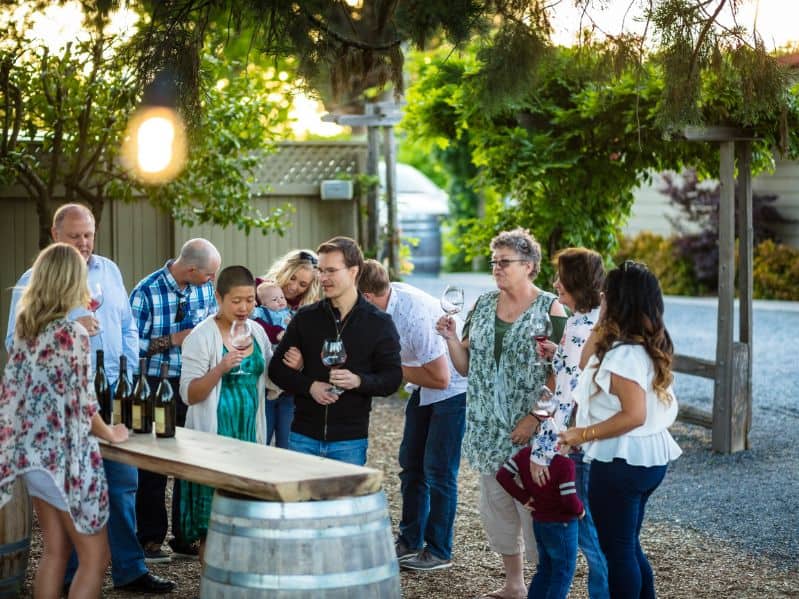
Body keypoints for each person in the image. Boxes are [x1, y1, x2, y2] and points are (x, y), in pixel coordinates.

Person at [5, 203, 175, 594]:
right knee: (88, 551)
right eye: (74, 236)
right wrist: (71, 330)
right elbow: (20, 348)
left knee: (117, 489)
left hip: (76, 412)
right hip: (73, 426)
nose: (84, 243)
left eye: (88, 234)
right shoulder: (40, 291)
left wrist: (131, 378)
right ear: (55, 236)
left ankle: (130, 569)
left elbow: (128, 328)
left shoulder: (111, 271)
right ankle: (74, 581)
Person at [436, 227, 566, 599]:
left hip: (531, 430)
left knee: (534, 508)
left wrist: (534, 418)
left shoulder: (551, 308)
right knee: (497, 509)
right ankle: (514, 584)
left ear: (529, 266)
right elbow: (464, 367)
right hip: (485, 428)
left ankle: (547, 584)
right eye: (494, 261)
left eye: (504, 262)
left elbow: (564, 370)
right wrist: (448, 339)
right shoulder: (482, 304)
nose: (496, 268)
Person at [1, 243, 130, 599]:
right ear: (73, 281)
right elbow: (82, 403)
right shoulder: (72, 335)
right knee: (95, 557)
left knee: (55, 553)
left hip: (33, 458)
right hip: (68, 459)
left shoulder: (26, 332)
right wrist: (112, 433)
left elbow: (10, 393)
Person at [559, 260, 682, 599]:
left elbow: (633, 415)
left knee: (618, 553)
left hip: (622, 462)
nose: (601, 296)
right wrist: (601, 320)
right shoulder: (635, 345)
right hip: (644, 460)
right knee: (626, 546)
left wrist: (580, 434)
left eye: (607, 293)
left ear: (619, 300)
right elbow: (584, 364)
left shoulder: (625, 354)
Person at [358, 259, 468, 572]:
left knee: (438, 470)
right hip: (424, 388)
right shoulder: (381, 307)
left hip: (454, 390)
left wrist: (385, 368)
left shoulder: (412, 313)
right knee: (411, 464)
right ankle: (409, 541)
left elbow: (441, 378)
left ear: (366, 295)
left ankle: (438, 550)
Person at [269, 237, 402, 466]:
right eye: (320, 271)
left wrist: (359, 381)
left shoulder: (379, 323)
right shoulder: (306, 317)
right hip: (302, 437)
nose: (323, 278)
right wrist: (309, 386)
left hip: (349, 442)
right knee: (301, 503)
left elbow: (392, 379)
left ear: (353, 272)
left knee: (342, 503)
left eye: (331, 270)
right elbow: (276, 370)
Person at [128, 238, 220, 562]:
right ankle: (150, 539)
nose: (212, 282)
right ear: (192, 269)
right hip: (155, 383)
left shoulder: (204, 287)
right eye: (208, 275)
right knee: (154, 462)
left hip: (192, 382)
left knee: (190, 460)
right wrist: (174, 340)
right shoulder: (146, 291)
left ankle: (186, 536)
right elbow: (132, 345)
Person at [528, 248, 609, 599]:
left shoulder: (584, 327)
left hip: (575, 446)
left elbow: (567, 399)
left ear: (577, 281)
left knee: (593, 541)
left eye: (562, 276)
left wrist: (542, 452)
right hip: (588, 442)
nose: (555, 283)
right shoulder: (589, 320)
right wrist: (556, 355)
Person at [178, 265, 270, 563]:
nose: (245, 307)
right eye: (237, 301)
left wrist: (292, 366)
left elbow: (269, 380)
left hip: (249, 438)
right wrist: (220, 368)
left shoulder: (257, 332)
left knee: (246, 522)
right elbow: (189, 395)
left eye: (250, 300)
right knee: (214, 527)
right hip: (214, 440)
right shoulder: (201, 336)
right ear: (219, 297)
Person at [496, 440, 585, 599]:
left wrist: (524, 498)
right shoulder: (565, 464)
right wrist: (580, 510)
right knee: (562, 573)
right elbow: (569, 499)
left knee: (544, 569)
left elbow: (503, 475)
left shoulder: (525, 454)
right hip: (563, 524)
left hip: (539, 521)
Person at [256, 249, 321, 447]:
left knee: (288, 443)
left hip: (290, 385)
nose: (293, 287)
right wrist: (276, 332)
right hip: (260, 382)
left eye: (302, 284)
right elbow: (249, 323)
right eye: (292, 278)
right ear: (285, 269)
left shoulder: (307, 307)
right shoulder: (260, 290)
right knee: (260, 440)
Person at [252, 279, 292, 344]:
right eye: (274, 299)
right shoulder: (262, 311)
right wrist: (251, 304)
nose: (280, 301)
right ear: (264, 304)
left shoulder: (287, 311)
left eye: (282, 297)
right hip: (272, 341)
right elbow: (252, 314)